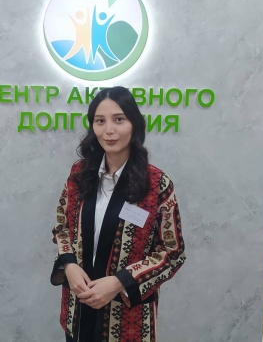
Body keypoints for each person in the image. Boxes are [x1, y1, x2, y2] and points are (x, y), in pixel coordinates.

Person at [51, 86, 186, 342]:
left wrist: (120, 281)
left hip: (128, 322)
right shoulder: (80, 174)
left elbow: (172, 253)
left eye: (119, 119)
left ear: (134, 124)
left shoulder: (156, 184)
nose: (109, 130)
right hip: (78, 311)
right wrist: (69, 265)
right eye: (100, 121)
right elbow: (62, 227)